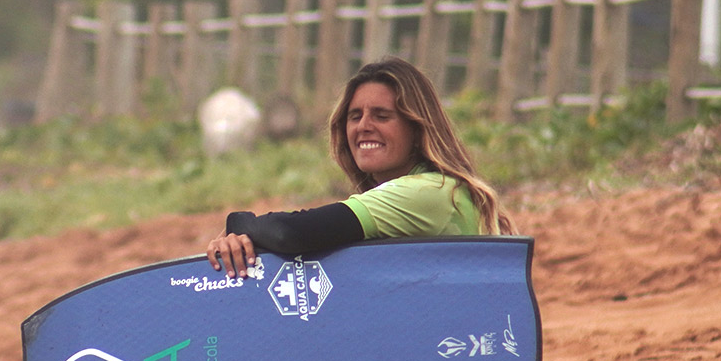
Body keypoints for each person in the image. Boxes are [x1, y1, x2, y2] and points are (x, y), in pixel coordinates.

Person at [206, 57, 512, 273]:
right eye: (355, 117)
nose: (363, 126)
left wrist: (239, 224)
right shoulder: (438, 191)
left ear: (418, 130)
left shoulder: (430, 192)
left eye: (382, 116)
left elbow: (292, 233)